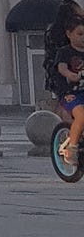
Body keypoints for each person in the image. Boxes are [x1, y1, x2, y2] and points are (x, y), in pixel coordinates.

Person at [49, 11, 84, 163]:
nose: (83, 38)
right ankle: (72, 148)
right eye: (80, 34)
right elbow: (62, 68)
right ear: (69, 34)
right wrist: (71, 75)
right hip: (70, 93)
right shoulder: (65, 52)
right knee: (81, 115)